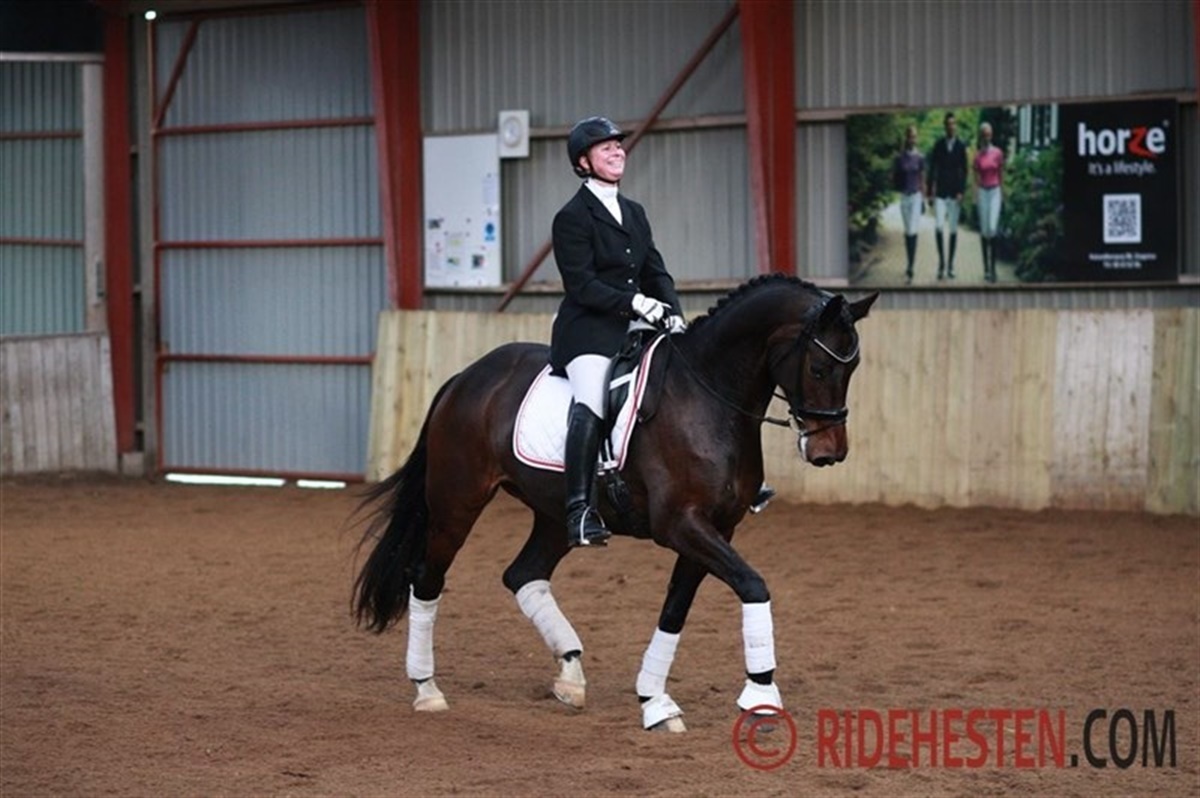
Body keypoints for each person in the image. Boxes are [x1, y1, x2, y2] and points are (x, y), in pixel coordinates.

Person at [551, 116, 686, 548]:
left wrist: (674, 314)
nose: (616, 151)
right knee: (591, 398)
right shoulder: (571, 217)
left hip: (636, 324)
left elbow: (655, 272)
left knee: (686, 376)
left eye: (618, 145)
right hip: (588, 331)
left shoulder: (634, 212)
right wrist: (635, 303)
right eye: (605, 147)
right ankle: (579, 510)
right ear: (583, 162)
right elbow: (582, 285)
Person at [925, 112, 968, 279]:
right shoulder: (938, 145)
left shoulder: (961, 146)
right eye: (948, 124)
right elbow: (932, 169)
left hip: (955, 193)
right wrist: (929, 192)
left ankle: (950, 265)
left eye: (953, 124)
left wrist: (961, 191)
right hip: (941, 194)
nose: (951, 127)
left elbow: (964, 170)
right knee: (938, 227)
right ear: (945, 126)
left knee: (953, 230)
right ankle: (941, 263)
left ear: (955, 126)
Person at [892, 124, 925, 283]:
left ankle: (911, 267)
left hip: (916, 196)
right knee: (907, 231)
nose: (913, 139)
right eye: (910, 136)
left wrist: (924, 198)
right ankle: (909, 261)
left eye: (914, 136)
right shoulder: (900, 158)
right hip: (904, 197)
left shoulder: (920, 157)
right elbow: (895, 178)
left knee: (912, 230)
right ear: (907, 138)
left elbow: (922, 178)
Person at [973, 121, 1004, 283]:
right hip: (983, 192)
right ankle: (986, 268)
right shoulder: (977, 156)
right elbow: (976, 177)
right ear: (981, 136)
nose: (987, 137)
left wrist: (1003, 194)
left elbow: (1001, 173)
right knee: (985, 231)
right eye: (984, 134)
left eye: (989, 134)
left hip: (995, 191)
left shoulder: (998, 153)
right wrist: (975, 196)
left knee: (992, 228)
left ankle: (993, 269)